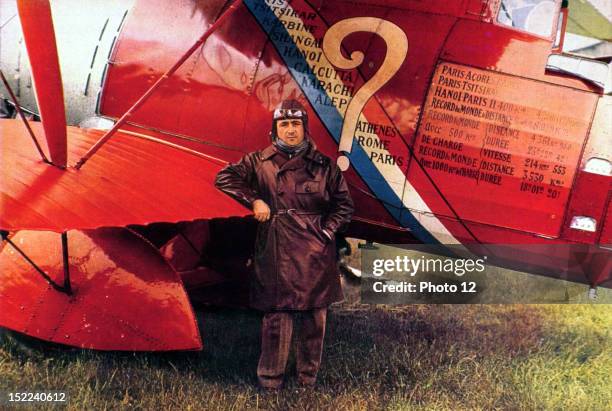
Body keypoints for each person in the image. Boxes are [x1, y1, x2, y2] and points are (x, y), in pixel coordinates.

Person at [215, 99, 354, 390]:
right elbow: (224, 177)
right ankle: (270, 381)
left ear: (305, 128)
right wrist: (254, 199)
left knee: (315, 316)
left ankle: (307, 380)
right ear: (275, 129)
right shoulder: (258, 161)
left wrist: (326, 233)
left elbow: (344, 206)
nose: (291, 131)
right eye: (284, 124)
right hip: (276, 245)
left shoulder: (325, 166)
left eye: (296, 124)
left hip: (315, 249)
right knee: (277, 315)